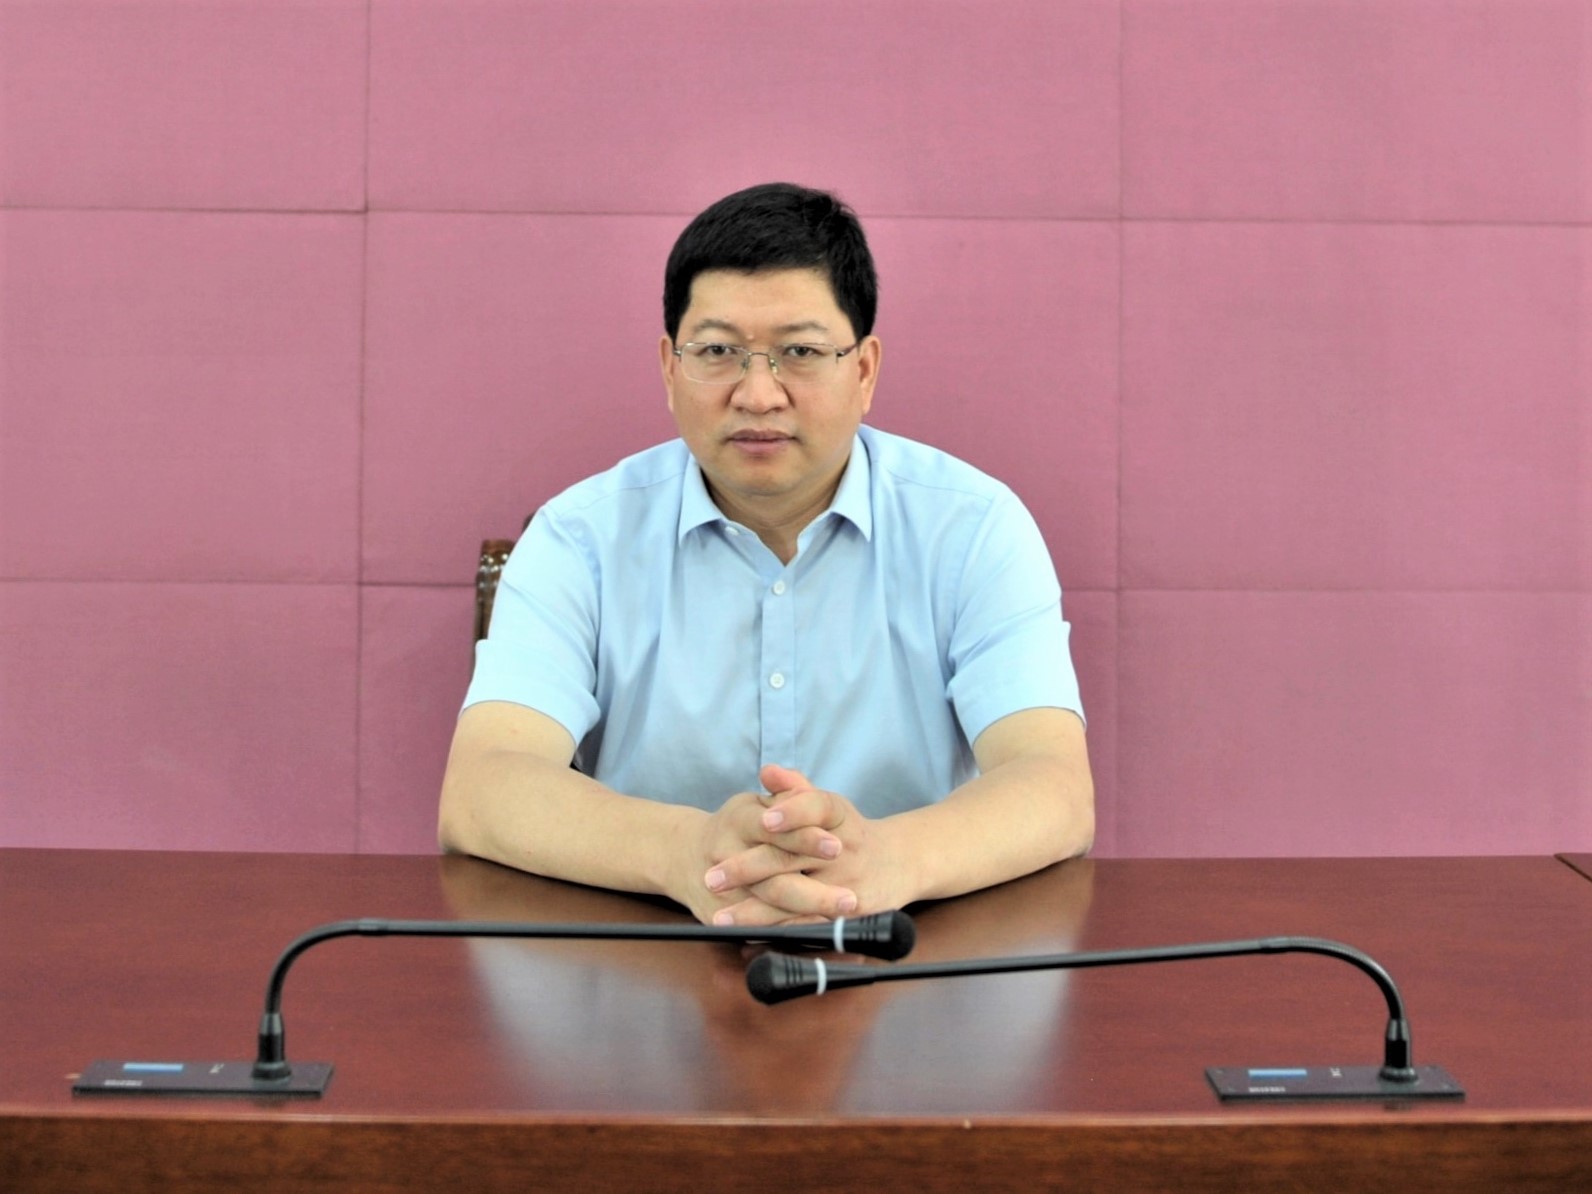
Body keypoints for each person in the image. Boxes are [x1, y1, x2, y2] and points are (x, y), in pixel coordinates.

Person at [439, 182, 1093, 927]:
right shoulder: (578, 538)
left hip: (916, 950)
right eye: (718, 351)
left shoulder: (973, 530)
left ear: (864, 370)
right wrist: (688, 852)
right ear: (670, 367)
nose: (757, 394)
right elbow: (482, 789)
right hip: (641, 953)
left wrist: (885, 860)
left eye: (800, 353)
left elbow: (1053, 785)